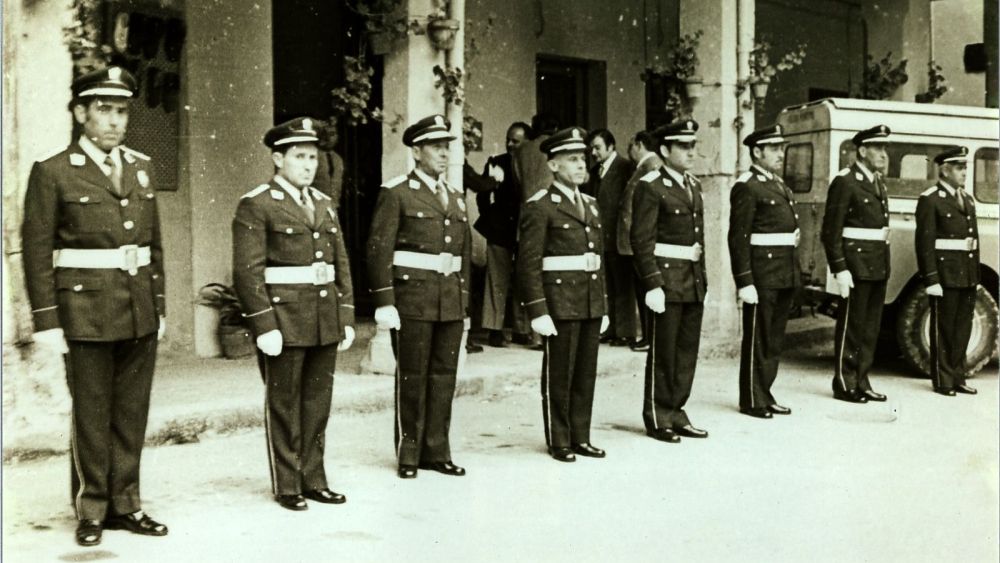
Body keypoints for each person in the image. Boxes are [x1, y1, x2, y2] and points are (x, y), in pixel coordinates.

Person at [21, 66, 168, 546]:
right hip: (84, 313)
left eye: (121, 111)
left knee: (131, 413)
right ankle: (92, 508)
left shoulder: (142, 167)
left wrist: (159, 306)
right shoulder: (53, 171)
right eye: (104, 110)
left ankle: (127, 504)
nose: (115, 120)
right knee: (91, 413)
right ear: (80, 113)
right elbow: (37, 249)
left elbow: (153, 246)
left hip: (138, 309)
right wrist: (46, 321)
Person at [232, 117, 356, 511]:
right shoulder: (258, 203)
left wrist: (345, 315)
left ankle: (314, 478)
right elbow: (247, 272)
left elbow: (340, 264)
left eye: (313, 157)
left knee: (317, 404)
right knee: (285, 404)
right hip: (284, 321)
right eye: (299, 156)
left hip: (323, 318)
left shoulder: (323, 203)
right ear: (278, 158)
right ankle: (288, 484)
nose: (308, 165)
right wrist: (264, 323)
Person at [367, 114, 470, 479]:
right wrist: (385, 302)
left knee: (444, 377)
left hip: (449, 301)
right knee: (413, 376)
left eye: (446, 148)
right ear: (416, 151)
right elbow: (379, 250)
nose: (444, 154)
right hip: (413, 300)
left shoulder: (456, 197)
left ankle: (437, 451)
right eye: (436, 147)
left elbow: (463, 256)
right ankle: (409, 453)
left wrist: (464, 303)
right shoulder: (397, 192)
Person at [516, 126, 610, 463]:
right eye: (572, 159)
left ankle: (580, 436)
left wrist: (603, 305)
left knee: (585, 373)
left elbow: (598, 260)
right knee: (560, 373)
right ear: (553, 166)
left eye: (582, 158)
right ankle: (560, 439)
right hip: (560, 303)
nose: (581, 165)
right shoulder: (541, 206)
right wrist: (538, 310)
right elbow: (528, 263)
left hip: (589, 301)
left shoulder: (592, 205)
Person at [630, 119, 710, 444]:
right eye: (683, 146)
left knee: (686, 351)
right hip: (666, 280)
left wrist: (702, 280)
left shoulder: (693, 185)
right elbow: (641, 239)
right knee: (664, 352)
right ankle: (658, 414)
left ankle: (677, 410)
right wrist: (652, 283)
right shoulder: (651, 185)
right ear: (665, 150)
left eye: (693, 146)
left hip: (691, 280)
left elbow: (698, 239)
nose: (691, 152)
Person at [727, 124, 800, 419]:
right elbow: (738, 237)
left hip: (783, 271)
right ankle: (752, 398)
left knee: (774, 339)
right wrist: (744, 280)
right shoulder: (747, 186)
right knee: (759, 337)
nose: (780, 154)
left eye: (782, 148)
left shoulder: (778, 184)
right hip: (762, 275)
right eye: (774, 149)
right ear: (757, 152)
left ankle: (765, 393)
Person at [821, 125, 892, 404]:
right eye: (878, 148)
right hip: (855, 266)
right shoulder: (846, 181)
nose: (884, 154)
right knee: (852, 326)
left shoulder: (877, 182)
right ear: (862, 151)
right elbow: (831, 231)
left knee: (870, 329)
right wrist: (839, 268)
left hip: (876, 264)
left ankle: (862, 380)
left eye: (884, 149)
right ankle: (844, 381)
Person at [915, 146, 980, 396]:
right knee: (943, 329)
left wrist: (975, 276)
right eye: (959, 168)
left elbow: (973, 241)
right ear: (944, 170)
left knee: (962, 328)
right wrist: (931, 279)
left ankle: (958, 376)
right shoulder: (931, 199)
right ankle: (943, 380)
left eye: (965, 167)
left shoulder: (967, 199)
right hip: (945, 275)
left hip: (966, 274)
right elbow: (925, 243)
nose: (964, 172)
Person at [476, 121, 529, 347]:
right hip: (500, 229)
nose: (510, 144)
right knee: (496, 280)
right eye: (508, 140)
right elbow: (482, 193)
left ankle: (521, 329)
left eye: (515, 141)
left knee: (524, 279)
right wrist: (490, 217)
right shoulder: (496, 162)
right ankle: (494, 329)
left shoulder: (533, 164)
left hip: (524, 229)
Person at [585, 129, 637, 347]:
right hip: (602, 238)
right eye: (591, 149)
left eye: (597, 148)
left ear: (610, 146)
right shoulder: (595, 171)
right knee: (608, 286)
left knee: (623, 286)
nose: (593, 153)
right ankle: (612, 329)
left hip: (618, 237)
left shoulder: (625, 168)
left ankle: (626, 332)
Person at [619, 131, 662, 352]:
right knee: (642, 288)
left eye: (631, 146)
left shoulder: (651, 166)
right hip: (636, 238)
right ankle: (648, 335)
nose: (630, 151)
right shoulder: (644, 167)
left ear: (640, 144)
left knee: (646, 288)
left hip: (641, 239)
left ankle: (651, 336)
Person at [312, 116, 345, 208]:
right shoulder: (312, 156)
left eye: (332, 134)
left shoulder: (338, 159)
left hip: (333, 206)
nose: (327, 138)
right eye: (324, 134)